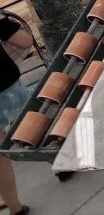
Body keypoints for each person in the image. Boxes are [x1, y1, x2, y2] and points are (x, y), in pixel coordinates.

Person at [0, 16, 32, 215]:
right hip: (6, 92)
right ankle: (62, 165)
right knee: (39, 124)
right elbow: (25, 41)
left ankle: (15, 208)